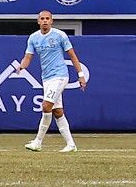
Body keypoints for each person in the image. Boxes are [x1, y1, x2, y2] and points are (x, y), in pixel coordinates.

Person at [18, 10, 89, 153]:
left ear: (51, 21)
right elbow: (28, 57)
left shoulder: (60, 35)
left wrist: (80, 75)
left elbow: (73, 56)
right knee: (57, 111)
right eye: (42, 19)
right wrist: (21, 66)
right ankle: (71, 144)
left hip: (60, 75)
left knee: (45, 106)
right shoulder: (33, 38)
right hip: (46, 78)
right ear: (38, 21)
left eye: (47, 18)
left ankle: (38, 142)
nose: (45, 21)